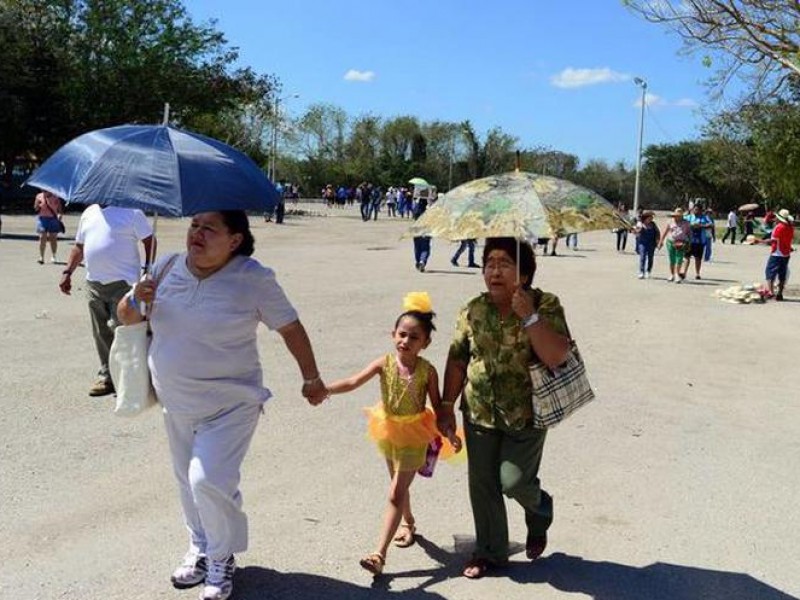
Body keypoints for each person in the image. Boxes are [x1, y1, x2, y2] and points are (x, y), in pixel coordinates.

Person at [117, 210, 327, 600]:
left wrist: (311, 378)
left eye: (209, 228)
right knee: (186, 482)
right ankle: (199, 546)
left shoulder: (253, 278)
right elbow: (126, 316)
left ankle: (221, 555)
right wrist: (135, 296)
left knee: (207, 479)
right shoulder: (164, 268)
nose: (197, 233)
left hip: (232, 404)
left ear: (234, 240)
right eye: (194, 225)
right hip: (175, 401)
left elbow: (291, 328)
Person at [437, 237, 570, 580]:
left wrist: (530, 317)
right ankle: (490, 552)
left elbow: (556, 355)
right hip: (479, 410)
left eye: (505, 263)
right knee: (482, 484)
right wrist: (447, 405)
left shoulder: (546, 304)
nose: (494, 271)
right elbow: (457, 358)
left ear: (524, 274)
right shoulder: (472, 310)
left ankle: (540, 510)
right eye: (489, 263)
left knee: (512, 482)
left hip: (529, 413)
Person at [325, 292, 462, 576]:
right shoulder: (384, 363)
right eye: (402, 335)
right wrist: (324, 389)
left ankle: (378, 554)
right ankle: (408, 523)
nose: (406, 342)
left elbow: (438, 407)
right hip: (387, 429)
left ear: (426, 342)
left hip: (415, 434)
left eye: (414, 337)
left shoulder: (428, 371)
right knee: (397, 485)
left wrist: (449, 432)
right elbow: (353, 381)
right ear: (393, 334)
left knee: (395, 492)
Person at [59, 205, 155, 396]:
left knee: (125, 333)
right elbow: (80, 246)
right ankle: (108, 377)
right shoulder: (89, 213)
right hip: (94, 282)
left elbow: (149, 241)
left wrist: (148, 268)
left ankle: (131, 379)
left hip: (124, 283)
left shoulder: (132, 212)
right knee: (101, 332)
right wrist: (67, 271)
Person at [755, 209, 794, 301]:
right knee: (782, 275)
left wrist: (759, 241)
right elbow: (787, 241)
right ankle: (780, 294)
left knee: (770, 273)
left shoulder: (779, 227)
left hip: (777, 253)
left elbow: (773, 240)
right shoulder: (790, 227)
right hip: (786, 254)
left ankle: (771, 292)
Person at [658, 208, 691, 283]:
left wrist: (689, 243)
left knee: (679, 259)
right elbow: (665, 232)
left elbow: (689, 233)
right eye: (675, 215)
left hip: (682, 242)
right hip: (671, 242)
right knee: (672, 259)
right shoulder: (670, 222)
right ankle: (671, 274)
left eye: (678, 216)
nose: (676, 217)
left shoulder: (686, 223)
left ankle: (677, 274)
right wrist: (661, 241)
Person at [684, 204, 713, 279]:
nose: (696, 211)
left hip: (700, 241)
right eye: (695, 209)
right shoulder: (688, 217)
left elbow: (710, 224)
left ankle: (697, 273)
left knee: (698, 258)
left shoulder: (705, 217)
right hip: (689, 241)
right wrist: (691, 225)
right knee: (687, 257)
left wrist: (701, 226)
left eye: (697, 209)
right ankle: (684, 272)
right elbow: (682, 223)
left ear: (701, 210)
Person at [34, 190, 64, 264]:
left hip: (53, 219)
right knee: (42, 237)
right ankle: (41, 257)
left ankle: (53, 255)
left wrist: (60, 215)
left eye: (45, 190)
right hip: (42, 219)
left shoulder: (56, 197)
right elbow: (35, 208)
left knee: (53, 238)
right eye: (42, 189)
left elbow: (60, 210)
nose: (44, 191)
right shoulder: (39, 196)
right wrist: (38, 205)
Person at [633, 210, 660, 278]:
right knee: (643, 257)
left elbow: (657, 233)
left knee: (650, 258)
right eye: (650, 217)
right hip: (642, 243)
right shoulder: (640, 224)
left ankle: (648, 271)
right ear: (645, 217)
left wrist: (658, 241)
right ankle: (641, 272)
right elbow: (637, 233)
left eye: (651, 217)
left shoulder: (653, 224)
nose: (651, 218)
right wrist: (636, 231)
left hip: (651, 243)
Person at [412, 195, 431, 272]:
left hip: (416, 229)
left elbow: (413, 215)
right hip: (426, 229)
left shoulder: (416, 209)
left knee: (417, 247)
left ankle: (418, 262)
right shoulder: (429, 210)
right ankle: (422, 261)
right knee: (425, 248)